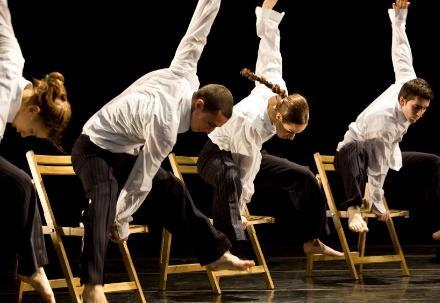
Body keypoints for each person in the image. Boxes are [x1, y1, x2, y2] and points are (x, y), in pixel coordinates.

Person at [71, 0, 254, 302]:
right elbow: (141, 180)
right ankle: (93, 285)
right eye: (209, 123)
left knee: (173, 188)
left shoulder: (185, 75)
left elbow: (195, 37)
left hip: (125, 151)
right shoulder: (165, 124)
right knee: (104, 196)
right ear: (199, 104)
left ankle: (214, 252)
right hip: (93, 148)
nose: (209, 132)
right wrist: (121, 217)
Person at [197, 0, 343, 258]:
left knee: (304, 176)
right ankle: (222, 249)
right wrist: (241, 208)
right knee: (230, 175)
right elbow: (246, 165)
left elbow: (270, 48)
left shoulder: (276, 88)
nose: (291, 136)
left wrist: (267, 11)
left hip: (248, 154)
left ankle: (312, 239)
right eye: (289, 129)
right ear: (277, 116)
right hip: (217, 156)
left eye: (298, 132)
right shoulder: (249, 120)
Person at [334, 0, 439, 236]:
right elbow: (377, 166)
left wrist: (400, 16)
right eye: (416, 108)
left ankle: (438, 224)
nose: (420, 114)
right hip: (353, 159)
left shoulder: (406, 84)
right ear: (403, 101)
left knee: (432, 162)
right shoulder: (385, 123)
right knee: (356, 148)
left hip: (385, 153)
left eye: (424, 109)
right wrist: (376, 200)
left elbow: (401, 53)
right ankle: (353, 208)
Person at [0, 0, 72, 302]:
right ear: (32, 109)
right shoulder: (4, 96)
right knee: (19, 185)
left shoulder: (13, 58)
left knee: (20, 186)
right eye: (32, 130)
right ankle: (32, 269)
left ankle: (32, 268)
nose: (25, 134)